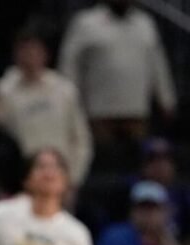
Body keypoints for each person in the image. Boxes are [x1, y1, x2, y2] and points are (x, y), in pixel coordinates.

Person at [59, 0, 175, 144]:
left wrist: (166, 99)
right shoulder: (86, 23)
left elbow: (157, 64)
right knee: (103, 155)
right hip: (99, 113)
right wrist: (66, 101)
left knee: (136, 155)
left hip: (136, 111)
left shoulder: (145, 23)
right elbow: (70, 64)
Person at [0, 30, 92, 186]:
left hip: (61, 177)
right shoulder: (3, 91)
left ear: (44, 54)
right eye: (24, 50)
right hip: (21, 178)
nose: (29, 56)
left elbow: (80, 139)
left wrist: (74, 179)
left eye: (34, 50)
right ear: (15, 54)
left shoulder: (64, 89)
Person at [96, 181, 184, 245]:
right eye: (142, 208)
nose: (148, 214)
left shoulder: (170, 239)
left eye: (153, 208)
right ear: (132, 210)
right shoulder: (116, 236)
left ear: (165, 212)